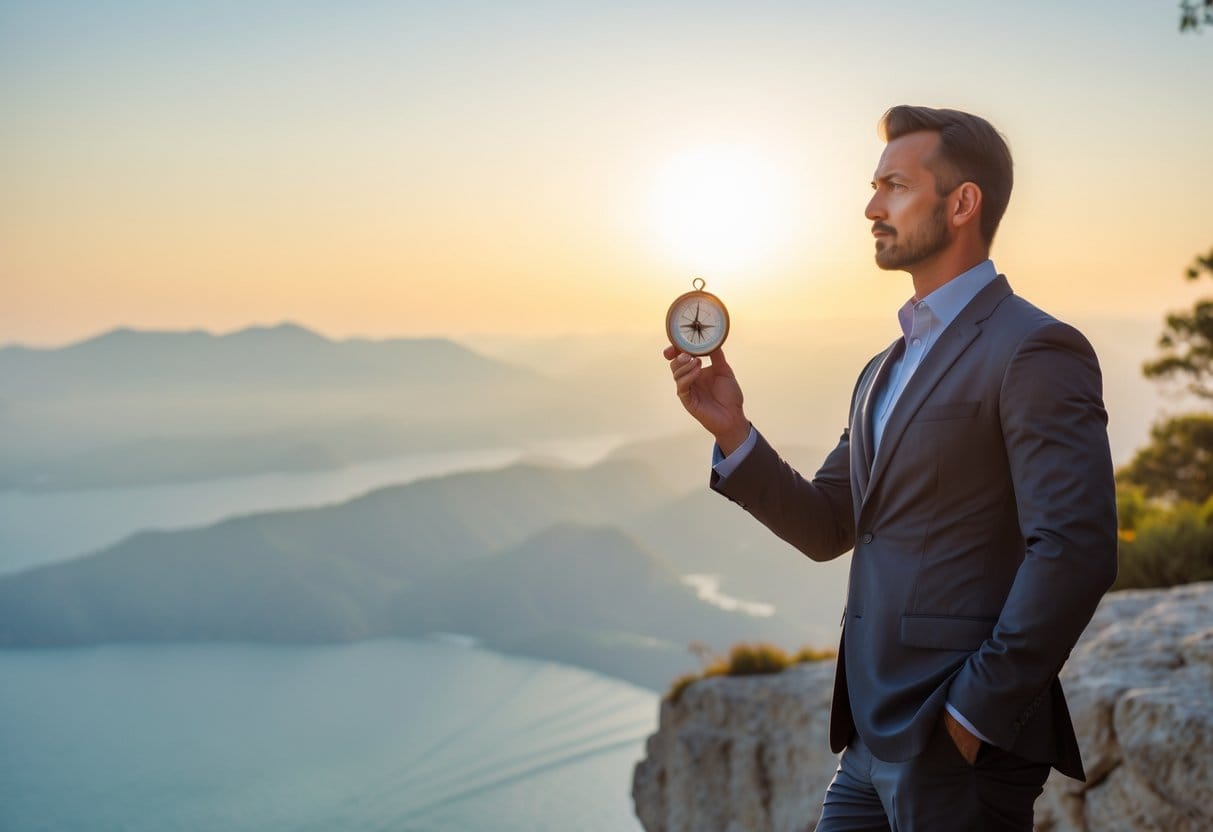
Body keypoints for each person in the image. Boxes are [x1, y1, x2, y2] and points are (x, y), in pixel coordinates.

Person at [662, 105, 1118, 831]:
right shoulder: (885, 367)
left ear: (961, 202)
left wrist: (973, 711)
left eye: (894, 186)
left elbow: (1075, 547)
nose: (870, 207)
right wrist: (733, 431)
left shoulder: (1035, 349)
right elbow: (827, 525)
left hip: (957, 742)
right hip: (870, 740)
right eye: (874, 187)